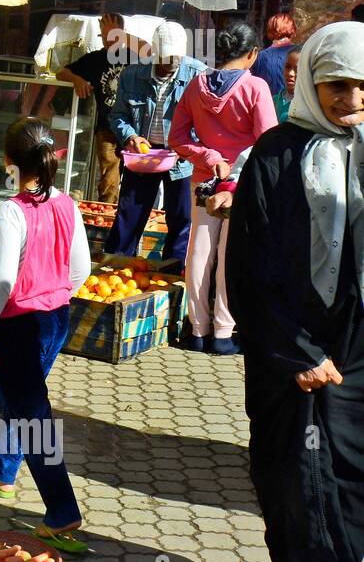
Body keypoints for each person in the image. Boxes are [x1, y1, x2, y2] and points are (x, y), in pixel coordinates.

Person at [227, 21, 364, 562]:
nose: (351, 98)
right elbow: (249, 267)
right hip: (289, 353)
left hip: (358, 354)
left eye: (363, 85)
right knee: (289, 478)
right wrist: (297, 353)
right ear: (310, 80)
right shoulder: (274, 154)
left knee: (351, 478)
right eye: (336, 83)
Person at [0, 118, 92, 553]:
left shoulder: (11, 211)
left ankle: (62, 511)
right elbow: (82, 271)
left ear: (8, 162)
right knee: (24, 400)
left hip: (20, 324)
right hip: (56, 317)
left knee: (33, 416)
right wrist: (55, 294)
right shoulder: (67, 203)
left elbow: (0, 282)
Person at [168, 22, 278, 355]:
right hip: (240, 185)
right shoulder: (256, 88)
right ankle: (223, 332)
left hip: (203, 180)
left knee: (199, 252)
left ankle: (197, 331)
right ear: (252, 54)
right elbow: (268, 143)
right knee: (231, 254)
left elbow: (177, 138)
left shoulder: (196, 84)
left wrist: (209, 154)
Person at [106, 21, 204, 264]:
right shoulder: (132, 75)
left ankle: (173, 275)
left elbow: (207, 123)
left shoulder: (198, 76)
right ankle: (116, 267)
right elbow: (118, 115)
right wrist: (130, 136)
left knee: (181, 219)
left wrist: (189, 146)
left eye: (175, 58)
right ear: (154, 53)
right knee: (129, 215)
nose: (171, 63)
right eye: (165, 58)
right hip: (143, 155)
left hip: (182, 158)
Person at [57, 13, 153, 204]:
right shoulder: (95, 59)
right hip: (107, 126)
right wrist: (78, 80)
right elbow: (61, 72)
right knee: (109, 174)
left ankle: (126, 213)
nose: (109, 40)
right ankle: (107, 213)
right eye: (104, 34)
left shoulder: (133, 56)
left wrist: (122, 36)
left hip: (136, 127)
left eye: (113, 35)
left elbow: (149, 52)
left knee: (137, 175)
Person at [250, 13, 297, 99]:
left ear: (269, 29)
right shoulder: (300, 53)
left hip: (268, 106)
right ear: (292, 29)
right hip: (294, 107)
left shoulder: (260, 57)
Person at [274, 45, 301, 124]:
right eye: (287, 67)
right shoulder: (274, 100)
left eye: (297, 69)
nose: (290, 73)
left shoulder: (309, 106)